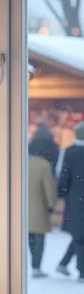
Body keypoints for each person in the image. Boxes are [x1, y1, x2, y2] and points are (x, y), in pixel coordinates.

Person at [58, 121, 84, 282]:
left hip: (75, 200)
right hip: (77, 199)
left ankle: (64, 264)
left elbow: (64, 177)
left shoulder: (71, 152)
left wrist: (62, 193)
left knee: (79, 234)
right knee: (80, 236)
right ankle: (81, 272)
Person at [28, 149, 58, 278]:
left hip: (22, 205)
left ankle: (32, 264)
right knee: (39, 236)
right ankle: (36, 266)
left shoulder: (22, 162)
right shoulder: (43, 164)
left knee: (29, 235)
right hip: (39, 205)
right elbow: (48, 186)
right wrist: (52, 203)